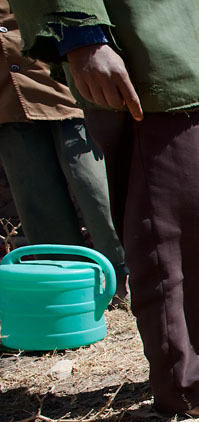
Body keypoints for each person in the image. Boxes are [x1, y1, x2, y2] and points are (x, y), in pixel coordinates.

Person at [12, 0, 199, 422]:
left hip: (176, 62)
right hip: (141, 60)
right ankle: (183, 384)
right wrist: (83, 36)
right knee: (164, 229)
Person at [0, 1, 126, 298]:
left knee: (94, 187)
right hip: (6, 96)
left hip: (58, 78)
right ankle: (65, 285)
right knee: (36, 198)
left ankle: (125, 278)